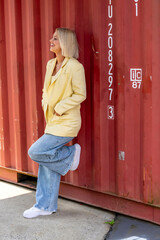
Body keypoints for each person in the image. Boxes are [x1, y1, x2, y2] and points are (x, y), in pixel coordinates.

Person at [23, 28, 86, 218]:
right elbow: (45, 90)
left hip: (67, 121)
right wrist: (46, 104)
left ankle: (70, 153)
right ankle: (46, 206)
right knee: (48, 163)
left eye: (56, 38)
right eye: (52, 37)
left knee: (36, 151)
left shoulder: (75, 66)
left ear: (65, 42)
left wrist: (59, 107)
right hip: (52, 120)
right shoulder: (51, 64)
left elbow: (80, 94)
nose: (51, 40)